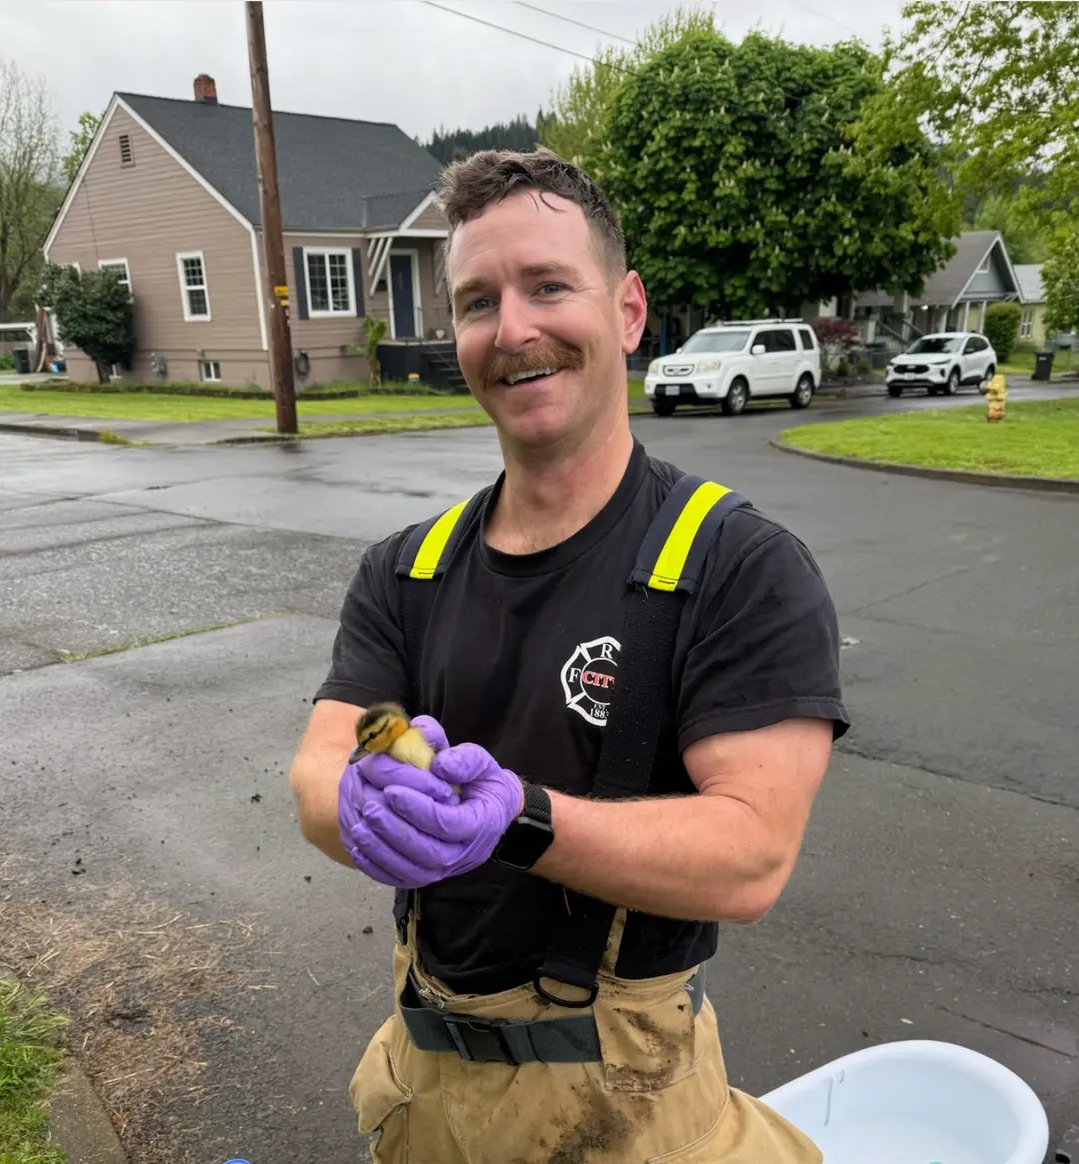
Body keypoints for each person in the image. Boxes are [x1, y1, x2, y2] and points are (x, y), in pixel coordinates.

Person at [289, 147, 850, 1164]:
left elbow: (751, 856)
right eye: (478, 301)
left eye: (548, 286)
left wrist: (519, 820)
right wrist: (360, 800)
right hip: (424, 1085)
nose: (513, 330)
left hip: (632, 1105)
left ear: (628, 312)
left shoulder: (739, 565)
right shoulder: (405, 570)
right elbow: (326, 763)